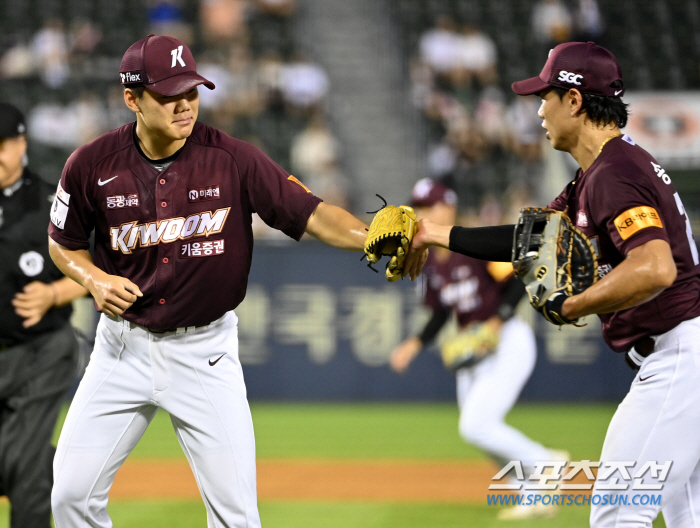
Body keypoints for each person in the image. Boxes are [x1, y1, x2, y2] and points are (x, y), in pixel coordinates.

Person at [47, 34, 426, 528]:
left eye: (192, 90)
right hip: (121, 349)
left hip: (204, 353)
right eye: (169, 94)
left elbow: (309, 214)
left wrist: (368, 234)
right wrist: (93, 278)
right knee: (69, 497)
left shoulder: (233, 159)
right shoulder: (90, 165)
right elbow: (61, 241)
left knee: (236, 517)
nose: (185, 105)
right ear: (132, 98)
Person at [404, 41, 700, 528]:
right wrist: (433, 234)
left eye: (545, 96)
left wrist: (575, 303)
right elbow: (529, 239)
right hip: (680, 355)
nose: (539, 109)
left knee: (617, 514)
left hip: (677, 358)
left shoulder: (613, 174)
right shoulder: (599, 174)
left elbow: (655, 268)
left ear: (575, 101)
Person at [390, 178, 566, 520]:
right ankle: (531, 494)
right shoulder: (431, 263)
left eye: (430, 205)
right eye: (419, 207)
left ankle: (546, 462)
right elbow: (441, 313)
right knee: (480, 432)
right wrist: (414, 344)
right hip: (473, 348)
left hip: (506, 341)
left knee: (475, 425)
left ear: (448, 208)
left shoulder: (474, 243)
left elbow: (520, 277)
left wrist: (496, 322)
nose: (423, 212)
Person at [0, 102, 88, 528]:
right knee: (17, 463)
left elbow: (102, 272)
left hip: (41, 352)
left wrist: (55, 291)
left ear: (22, 144)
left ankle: (47, 471)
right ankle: (69, 472)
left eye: (4, 144)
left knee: (25, 466)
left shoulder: (52, 203)